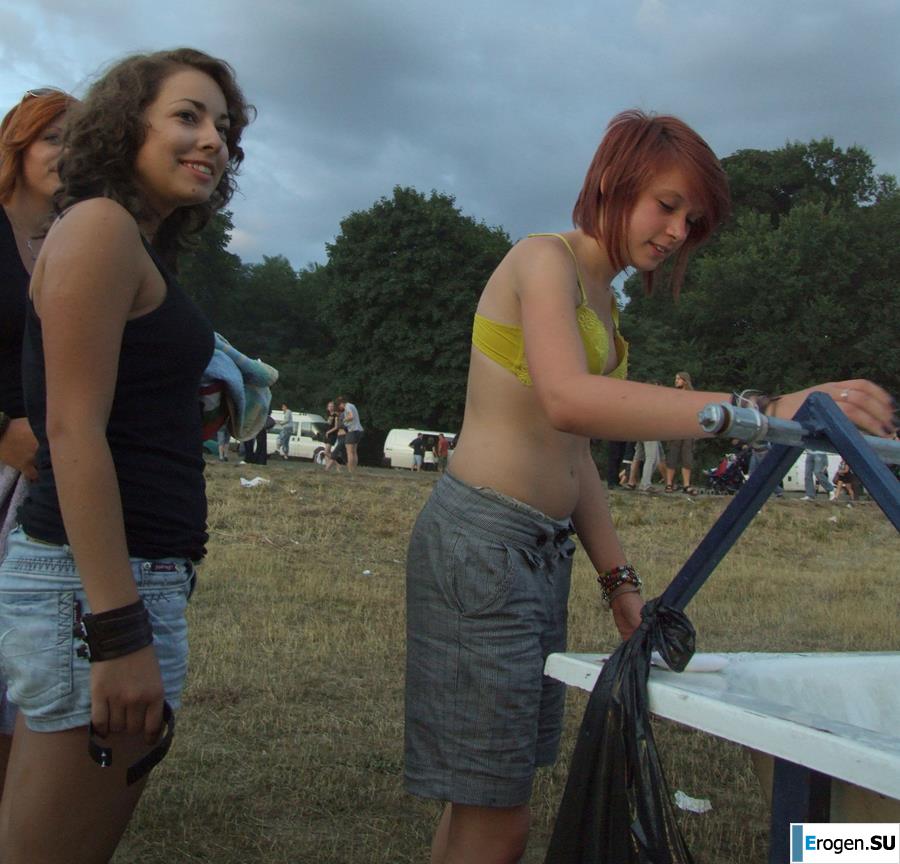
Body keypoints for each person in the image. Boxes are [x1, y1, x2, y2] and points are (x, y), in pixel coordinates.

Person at [403, 109, 895, 864]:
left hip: (539, 555)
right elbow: (569, 400)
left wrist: (619, 583)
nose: (675, 232)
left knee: (487, 795)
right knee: (497, 818)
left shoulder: (605, 306)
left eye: (692, 221)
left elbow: (575, 460)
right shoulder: (543, 260)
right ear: (613, 178)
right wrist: (759, 411)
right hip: (482, 544)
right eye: (667, 205)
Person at [0, 49, 252, 864]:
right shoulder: (101, 227)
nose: (213, 140)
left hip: (116, 582)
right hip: (94, 592)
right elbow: (71, 432)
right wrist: (115, 632)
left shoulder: (132, 242)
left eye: (224, 127)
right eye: (188, 116)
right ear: (124, 125)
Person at [0, 85, 74, 799]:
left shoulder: (70, 242)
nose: (67, 154)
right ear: (17, 148)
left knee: (18, 650)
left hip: (43, 476)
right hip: (5, 454)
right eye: (54, 138)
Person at [663, 371, 698, 494]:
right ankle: (669, 483)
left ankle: (686, 485)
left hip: (688, 430)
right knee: (672, 456)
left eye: (678, 379)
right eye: (676, 378)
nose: (676, 381)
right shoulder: (673, 394)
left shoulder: (692, 395)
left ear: (685, 381)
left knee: (687, 458)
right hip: (675, 429)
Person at [338, 395, 364, 474]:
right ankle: (354, 470)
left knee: (349, 452)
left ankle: (350, 470)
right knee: (354, 452)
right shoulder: (352, 405)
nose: (339, 407)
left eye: (339, 404)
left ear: (342, 403)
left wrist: (343, 420)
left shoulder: (347, 406)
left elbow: (351, 416)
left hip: (352, 431)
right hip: (359, 430)